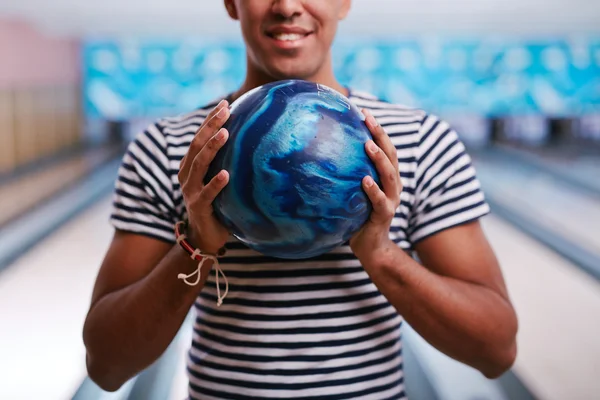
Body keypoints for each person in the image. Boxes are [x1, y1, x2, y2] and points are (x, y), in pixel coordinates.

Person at [83, 0, 518, 398]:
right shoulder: (168, 149)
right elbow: (106, 366)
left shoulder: (423, 142)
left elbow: (496, 350)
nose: (287, 6)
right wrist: (197, 245)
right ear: (232, 3)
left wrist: (381, 253)